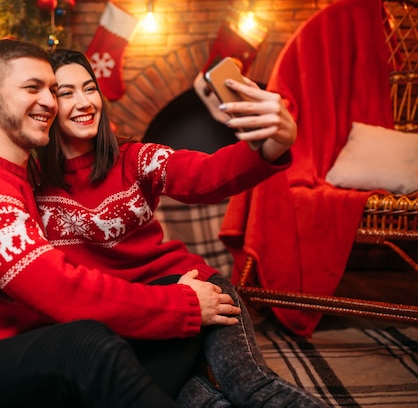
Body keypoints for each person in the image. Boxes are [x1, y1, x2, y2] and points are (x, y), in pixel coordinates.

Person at [0, 39, 246, 408]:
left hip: (28, 352)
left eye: (51, 89)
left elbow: (200, 174)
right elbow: (59, 290)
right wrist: (178, 305)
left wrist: (177, 304)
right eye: (32, 88)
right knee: (87, 345)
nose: (49, 101)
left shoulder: (25, 178)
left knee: (169, 337)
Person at [35, 49, 328, 407]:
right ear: (45, 104)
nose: (84, 102)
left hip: (195, 291)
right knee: (195, 401)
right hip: (125, 325)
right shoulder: (29, 184)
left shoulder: (135, 159)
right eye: (67, 93)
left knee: (251, 386)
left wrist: (275, 142)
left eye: (90, 88)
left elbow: (205, 175)